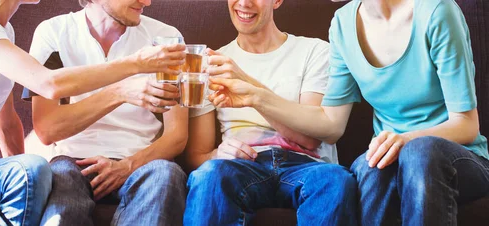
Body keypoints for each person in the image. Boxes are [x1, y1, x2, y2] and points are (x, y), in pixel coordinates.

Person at [0, 0, 185, 225]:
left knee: (34, 168)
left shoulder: (3, 33)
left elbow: (6, 124)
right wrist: (131, 74)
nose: (146, 1)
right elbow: (48, 84)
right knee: (54, 173)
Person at [209, 0, 489, 224]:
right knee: (370, 166)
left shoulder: (437, 11)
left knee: (418, 152)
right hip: (391, 156)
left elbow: (466, 125)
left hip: (459, 158)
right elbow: (331, 125)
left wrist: (407, 140)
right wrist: (255, 95)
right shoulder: (343, 23)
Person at [182, 0, 357, 225]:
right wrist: (218, 154)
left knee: (336, 180)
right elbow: (197, 156)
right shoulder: (212, 65)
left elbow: (310, 139)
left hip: (307, 165)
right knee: (209, 176)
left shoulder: (315, 51)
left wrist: (250, 88)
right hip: (242, 165)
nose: (244, 3)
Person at [22, 0, 188, 225]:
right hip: (72, 161)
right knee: (59, 181)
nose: (147, 2)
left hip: (143, 162)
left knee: (166, 174)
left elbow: (176, 135)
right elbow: (47, 129)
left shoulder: (165, 37)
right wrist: (120, 92)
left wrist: (127, 166)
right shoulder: (54, 32)